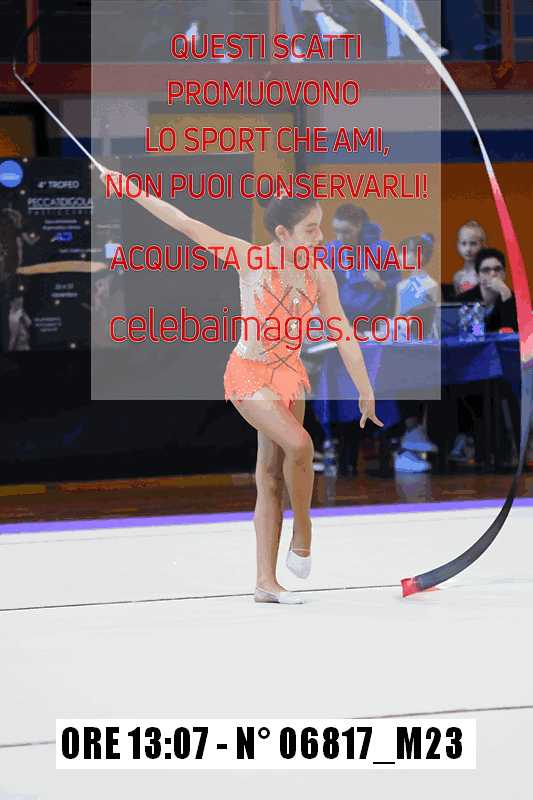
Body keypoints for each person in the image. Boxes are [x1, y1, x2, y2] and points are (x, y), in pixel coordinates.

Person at [100, 170, 382, 605]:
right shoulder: (250, 258)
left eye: (320, 227)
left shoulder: (319, 274)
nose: (320, 237)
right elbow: (184, 222)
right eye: (311, 229)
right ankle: (304, 530)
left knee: (270, 475)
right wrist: (128, 188)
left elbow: (342, 331)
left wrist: (365, 388)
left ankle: (266, 583)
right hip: (249, 374)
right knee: (301, 445)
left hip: (290, 376)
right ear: (283, 233)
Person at [458, 247, 518, 332]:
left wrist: (506, 295)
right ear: (477, 276)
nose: (493, 274)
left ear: (504, 274)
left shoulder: (516, 300)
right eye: (486, 270)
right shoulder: (463, 300)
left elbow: (513, 333)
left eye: (497, 269)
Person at [452, 220, 487, 297]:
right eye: (463, 243)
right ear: (458, 246)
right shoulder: (458, 277)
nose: (468, 249)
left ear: (483, 245)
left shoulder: (486, 274)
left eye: (473, 243)